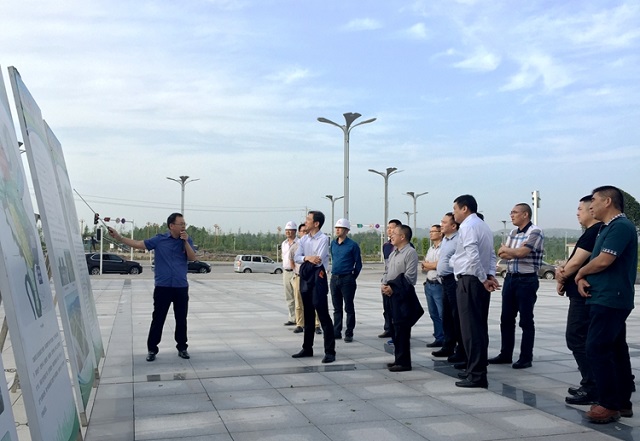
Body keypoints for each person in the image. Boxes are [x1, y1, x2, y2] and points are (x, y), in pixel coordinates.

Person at [575, 186, 637, 424]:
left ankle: (609, 404)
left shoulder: (620, 226)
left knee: (597, 348)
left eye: (594, 201)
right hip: (603, 295)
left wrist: (580, 272)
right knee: (615, 348)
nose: (590, 206)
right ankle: (621, 401)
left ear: (608, 201)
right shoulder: (607, 227)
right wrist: (583, 279)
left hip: (611, 298)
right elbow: (597, 262)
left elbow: (603, 261)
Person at [108, 213, 196, 362]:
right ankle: (152, 349)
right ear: (171, 226)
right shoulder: (159, 240)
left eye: (184, 224)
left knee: (181, 319)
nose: (183, 226)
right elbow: (138, 244)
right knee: (158, 319)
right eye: (181, 224)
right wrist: (119, 238)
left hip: (180, 287)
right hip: (163, 287)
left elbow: (192, 258)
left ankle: (182, 347)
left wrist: (186, 241)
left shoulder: (187, 240)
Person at [555, 195, 603, 405]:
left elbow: (576, 263)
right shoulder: (592, 232)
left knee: (576, 337)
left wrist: (562, 276)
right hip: (579, 292)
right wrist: (563, 273)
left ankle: (592, 386)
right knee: (584, 338)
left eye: (580, 209)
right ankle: (592, 383)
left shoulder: (593, 232)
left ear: (591, 210)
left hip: (584, 295)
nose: (577, 213)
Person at [450, 195, 499, 388]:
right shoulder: (483, 226)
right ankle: (475, 368)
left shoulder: (468, 226)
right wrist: (489, 274)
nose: (454, 213)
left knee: (471, 330)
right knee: (478, 328)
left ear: (465, 208)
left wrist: (483, 278)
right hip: (478, 280)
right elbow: (491, 254)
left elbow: (472, 256)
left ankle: (477, 375)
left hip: (471, 281)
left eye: (455, 209)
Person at [490, 203, 544, 369]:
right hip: (510, 278)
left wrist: (510, 251)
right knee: (506, 319)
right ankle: (505, 354)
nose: (511, 215)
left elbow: (522, 252)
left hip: (526, 280)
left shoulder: (535, 231)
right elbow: (501, 253)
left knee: (526, 320)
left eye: (514, 212)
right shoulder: (513, 233)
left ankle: (526, 357)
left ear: (525, 214)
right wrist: (511, 251)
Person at [292, 211, 336, 363]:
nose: (306, 221)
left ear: (316, 223)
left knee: (323, 314)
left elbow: (319, 260)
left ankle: (330, 351)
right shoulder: (304, 239)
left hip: (318, 278)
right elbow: (297, 257)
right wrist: (307, 258)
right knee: (308, 314)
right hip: (306, 278)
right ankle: (307, 348)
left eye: (308, 219)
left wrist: (307, 260)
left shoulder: (323, 239)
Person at [382, 224, 422, 371]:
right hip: (389, 295)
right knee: (393, 328)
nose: (391, 235)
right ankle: (398, 359)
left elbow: (410, 277)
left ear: (403, 236)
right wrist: (384, 284)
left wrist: (393, 287)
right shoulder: (393, 253)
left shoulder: (410, 252)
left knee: (402, 329)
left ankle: (404, 362)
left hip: (403, 295)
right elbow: (387, 271)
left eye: (394, 233)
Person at [431, 213, 466, 365]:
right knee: (446, 316)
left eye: (444, 222)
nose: (441, 225)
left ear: (453, 226)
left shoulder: (458, 239)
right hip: (444, 281)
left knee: (456, 316)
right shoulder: (445, 239)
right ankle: (448, 345)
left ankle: (461, 350)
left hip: (454, 280)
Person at [330, 218, 362, 343]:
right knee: (336, 308)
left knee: (349, 307)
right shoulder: (333, 244)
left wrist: (352, 277)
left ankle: (349, 332)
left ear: (347, 230)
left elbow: (358, 264)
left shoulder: (352, 245)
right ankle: (336, 331)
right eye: (336, 228)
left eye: (340, 228)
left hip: (347, 279)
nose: (337, 230)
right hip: (334, 278)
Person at [291, 223, 322, 334]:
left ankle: (317, 324)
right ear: (299, 233)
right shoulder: (295, 246)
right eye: (302, 231)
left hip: (312, 277)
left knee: (315, 301)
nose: (304, 233)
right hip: (299, 277)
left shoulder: (313, 244)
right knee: (299, 302)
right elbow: (292, 260)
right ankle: (300, 324)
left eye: (306, 231)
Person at [379, 219, 402, 339]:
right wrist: (384, 281)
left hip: (398, 282)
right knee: (387, 307)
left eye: (391, 228)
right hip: (387, 279)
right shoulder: (386, 245)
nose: (389, 230)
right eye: (388, 228)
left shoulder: (405, 246)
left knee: (398, 309)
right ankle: (388, 328)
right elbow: (387, 264)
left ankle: (399, 331)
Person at [422, 224, 444, 347]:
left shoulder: (444, 248)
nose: (431, 233)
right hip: (429, 284)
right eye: (430, 231)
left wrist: (430, 265)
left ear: (440, 233)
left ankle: (447, 338)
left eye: (433, 231)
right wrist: (430, 265)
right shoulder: (431, 249)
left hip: (438, 284)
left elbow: (440, 265)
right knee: (433, 314)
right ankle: (439, 337)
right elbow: (424, 265)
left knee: (442, 314)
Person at [281, 221, 298, 326]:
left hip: (296, 272)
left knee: (298, 297)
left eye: (290, 230)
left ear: (295, 231)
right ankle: (292, 318)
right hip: (286, 272)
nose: (288, 232)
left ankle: (300, 319)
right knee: (289, 296)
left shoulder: (299, 243)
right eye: (286, 230)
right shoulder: (284, 244)